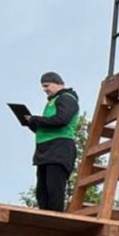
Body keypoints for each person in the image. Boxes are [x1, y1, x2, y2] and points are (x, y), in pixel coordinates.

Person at [24, 71, 81, 212]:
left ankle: (54, 221)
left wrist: (36, 119)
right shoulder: (51, 102)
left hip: (59, 149)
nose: (44, 89)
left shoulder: (67, 98)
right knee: (42, 192)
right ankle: (44, 218)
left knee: (54, 189)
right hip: (45, 150)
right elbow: (48, 127)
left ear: (57, 83)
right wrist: (32, 123)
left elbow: (62, 120)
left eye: (46, 85)